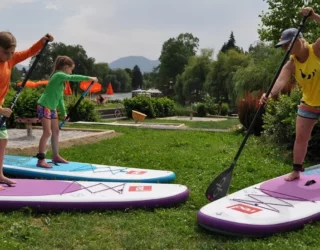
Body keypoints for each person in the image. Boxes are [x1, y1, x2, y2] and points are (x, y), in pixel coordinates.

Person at [259, 7, 320, 181]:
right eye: (283, 46)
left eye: (288, 44)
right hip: (309, 103)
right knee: (300, 137)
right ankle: (296, 171)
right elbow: (280, 81)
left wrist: (314, 16)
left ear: (299, 39)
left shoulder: (316, 49)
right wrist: (269, 94)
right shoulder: (291, 64)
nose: (286, 48)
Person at [0, 31, 54, 189]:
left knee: (2, 140)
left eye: (12, 52)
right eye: (6, 52)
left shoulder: (10, 60)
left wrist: (42, 41)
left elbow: (29, 52)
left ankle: (0, 174)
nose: (10, 56)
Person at [36, 56, 98, 168]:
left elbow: (60, 99)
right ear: (65, 67)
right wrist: (88, 78)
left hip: (52, 107)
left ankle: (56, 156)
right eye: (71, 69)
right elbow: (73, 77)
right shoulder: (58, 75)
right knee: (47, 132)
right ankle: (41, 160)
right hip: (44, 105)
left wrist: (64, 113)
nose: (71, 71)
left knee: (56, 131)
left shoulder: (62, 82)